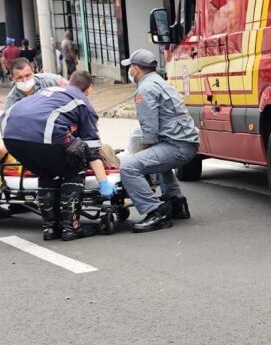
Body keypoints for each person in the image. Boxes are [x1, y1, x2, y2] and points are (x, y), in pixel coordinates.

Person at [1, 71, 116, 240]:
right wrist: (103, 182)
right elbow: (92, 150)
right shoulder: (83, 103)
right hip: (44, 136)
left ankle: (50, 228)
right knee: (74, 166)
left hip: (10, 135)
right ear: (89, 88)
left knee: (47, 172)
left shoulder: (51, 91)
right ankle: (71, 228)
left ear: (69, 82)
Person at [119, 49, 199, 233]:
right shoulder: (160, 82)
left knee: (129, 167)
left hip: (177, 146)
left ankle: (155, 212)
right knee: (158, 160)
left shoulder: (145, 89)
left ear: (137, 69)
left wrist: (138, 154)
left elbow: (149, 132)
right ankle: (176, 203)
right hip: (185, 143)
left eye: (130, 67)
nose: (129, 71)